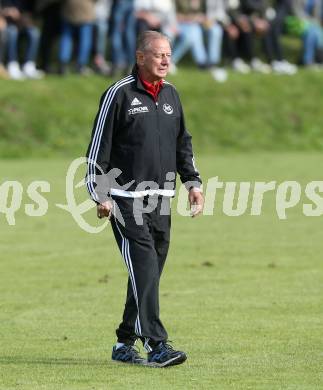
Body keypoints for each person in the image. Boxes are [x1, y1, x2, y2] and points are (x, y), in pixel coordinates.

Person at [86, 30, 204, 367]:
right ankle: (157, 345)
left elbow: (184, 143)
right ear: (141, 57)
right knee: (145, 266)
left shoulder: (172, 95)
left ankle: (124, 342)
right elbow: (97, 152)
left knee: (148, 273)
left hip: (161, 200)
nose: (166, 60)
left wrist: (192, 182)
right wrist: (100, 193)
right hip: (125, 200)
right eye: (158, 55)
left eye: (168, 54)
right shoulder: (118, 94)